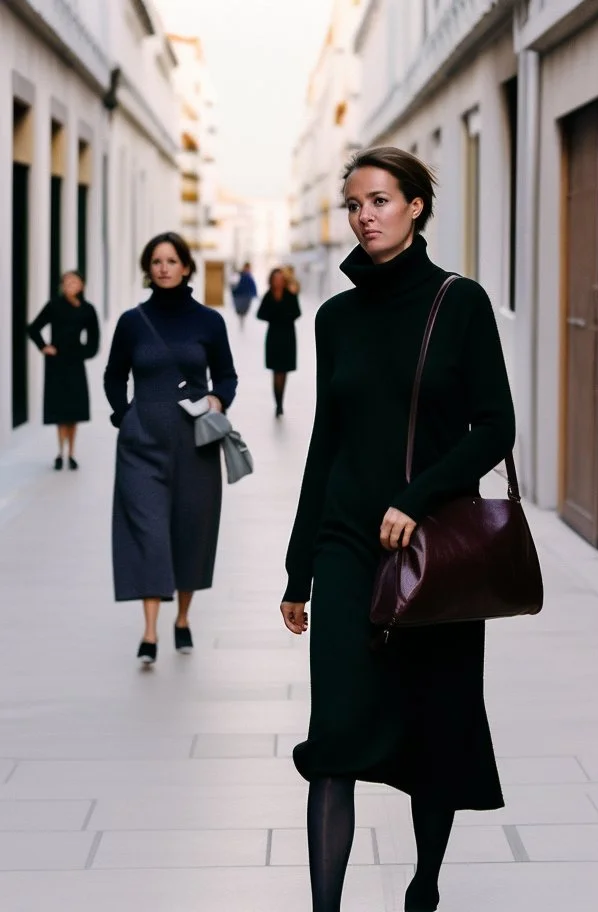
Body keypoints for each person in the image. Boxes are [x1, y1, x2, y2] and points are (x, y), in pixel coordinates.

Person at [280, 147, 516, 912]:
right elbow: (326, 440)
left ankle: (424, 887)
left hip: (434, 548)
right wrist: (297, 569)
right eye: (353, 204)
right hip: (347, 544)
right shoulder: (335, 317)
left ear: (416, 206)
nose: (363, 216)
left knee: (433, 725)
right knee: (335, 734)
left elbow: (495, 427)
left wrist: (415, 497)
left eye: (378, 200)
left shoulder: (461, 302)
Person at [103, 231, 238, 665]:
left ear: (185, 267)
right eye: (156, 261)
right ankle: (149, 632)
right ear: (149, 268)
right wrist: (126, 416)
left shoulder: (209, 322)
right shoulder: (131, 321)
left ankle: (182, 618)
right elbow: (113, 375)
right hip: (141, 445)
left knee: (190, 531)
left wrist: (219, 400)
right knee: (148, 531)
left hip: (195, 443)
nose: (163, 267)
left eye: (171, 260)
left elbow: (227, 376)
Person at [27, 270, 100, 470]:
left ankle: (72, 453)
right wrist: (44, 347)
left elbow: (94, 339)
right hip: (57, 362)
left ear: (82, 285)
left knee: (74, 411)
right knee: (60, 411)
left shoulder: (87, 309)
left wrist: (84, 353)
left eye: (74, 281)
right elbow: (33, 328)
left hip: (75, 363)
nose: (70, 285)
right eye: (66, 282)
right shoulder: (54, 306)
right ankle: (59, 452)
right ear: (61, 285)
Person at [256, 268, 301, 417]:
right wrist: (275, 316)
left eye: (281, 279)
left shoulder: (290, 295)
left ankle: (280, 402)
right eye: (276, 279)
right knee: (276, 371)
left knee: (284, 371)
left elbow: (297, 313)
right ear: (271, 280)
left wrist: (283, 315)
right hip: (274, 337)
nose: (278, 282)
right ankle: (278, 404)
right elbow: (260, 314)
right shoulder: (268, 296)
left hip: (288, 337)